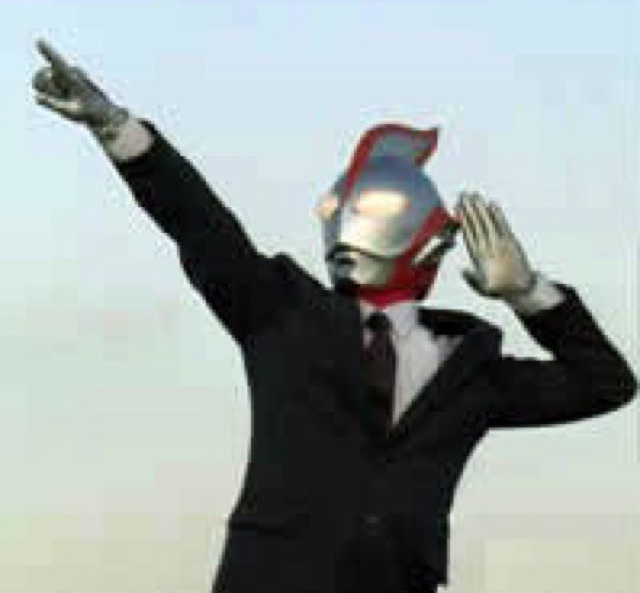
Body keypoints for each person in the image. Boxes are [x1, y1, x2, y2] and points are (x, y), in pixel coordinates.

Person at [32, 39, 637, 593]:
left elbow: (606, 384)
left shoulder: (471, 369)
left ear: (430, 243)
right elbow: (199, 223)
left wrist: (527, 291)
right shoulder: (282, 313)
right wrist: (117, 129)